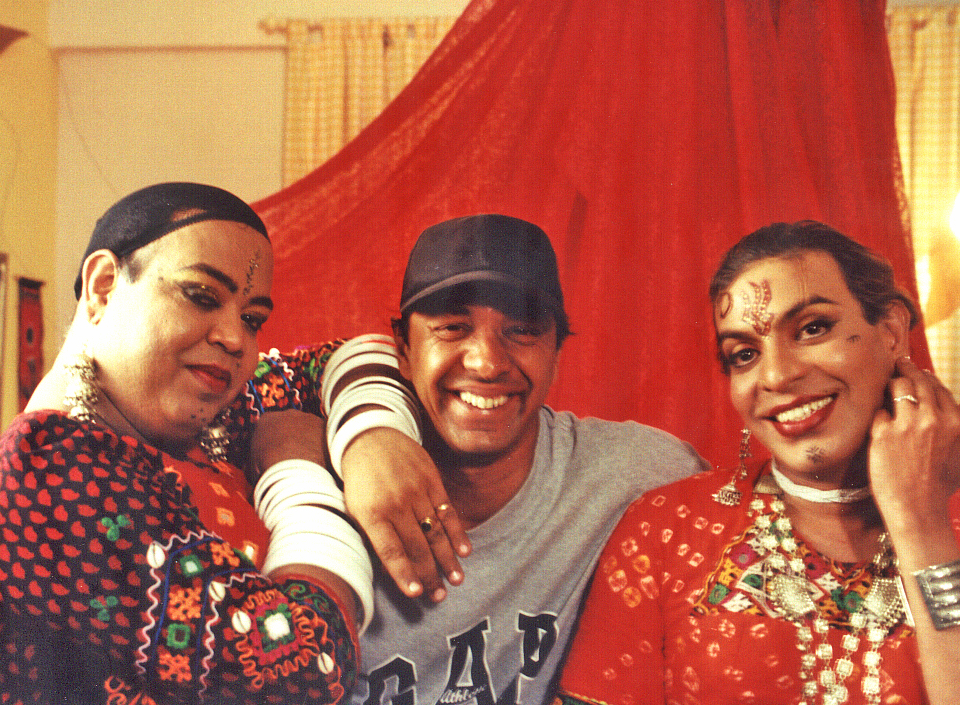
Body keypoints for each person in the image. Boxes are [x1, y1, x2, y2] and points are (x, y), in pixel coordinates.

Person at [238, 214, 711, 705]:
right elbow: (273, 419)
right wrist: (349, 444)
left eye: (522, 331)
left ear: (556, 352)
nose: (486, 361)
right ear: (401, 346)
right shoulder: (330, 472)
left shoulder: (641, 473)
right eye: (452, 327)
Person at [552, 221, 960, 705]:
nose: (776, 375)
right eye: (744, 354)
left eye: (813, 328)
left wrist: (920, 521)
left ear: (893, 330)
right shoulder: (666, 528)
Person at [0, 183, 372, 704]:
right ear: (103, 286)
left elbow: (324, 363)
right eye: (201, 296)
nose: (237, 338)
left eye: (252, 318)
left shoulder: (178, 423)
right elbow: (305, 670)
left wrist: (373, 438)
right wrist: (299, 481)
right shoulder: (46, 478)